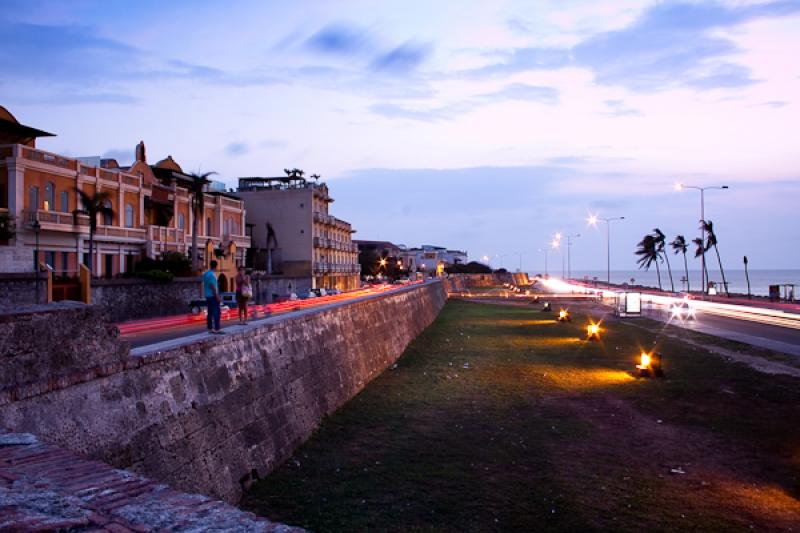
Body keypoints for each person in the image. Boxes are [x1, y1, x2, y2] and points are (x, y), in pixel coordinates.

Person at [203, 260, 223, 334]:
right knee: (217, 312)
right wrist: (217, 296)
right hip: (213, 296)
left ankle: (210, 328)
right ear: (216, 266)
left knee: (210, 313)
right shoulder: (212, 275)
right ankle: (217, 328)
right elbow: (212, 286)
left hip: (207, 296)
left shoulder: (205, 274)